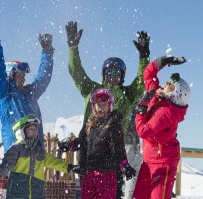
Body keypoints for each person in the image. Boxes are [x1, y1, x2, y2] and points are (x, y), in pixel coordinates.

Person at [65, 21, 150, 198]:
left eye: (116, 74)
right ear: (104, 74)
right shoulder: (92, 90)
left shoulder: (127, 94)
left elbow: (142, 81)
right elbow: (76, 72)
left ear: (122, 76)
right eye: (109, 73)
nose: (112, 77)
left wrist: (144, 56)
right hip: (90, 152)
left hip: (113, 156)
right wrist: (73, 48)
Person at [0, 16, 55, 151]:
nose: (23, 79)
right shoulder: (4, 96)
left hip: (36, 154)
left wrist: (47, 52)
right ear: (10, 76)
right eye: (19, 76)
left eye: (24, 76)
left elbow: (44, 78)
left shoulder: (29, 94)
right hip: (15, 156)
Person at [132, 56, 190, 199]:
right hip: (149, 160)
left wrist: (141, 110)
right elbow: (148, 75)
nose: (166, 83)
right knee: (140, 196)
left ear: (174, 95)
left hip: (162, 164)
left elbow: (143, 131)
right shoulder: (157, 97)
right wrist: (162, 61)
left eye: (171, 84)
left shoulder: (167, 112)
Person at [0, 114, 80, 199]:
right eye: (31, 130)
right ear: (21, 132)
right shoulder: (16, 149)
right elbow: (6, 165)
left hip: (37, 193)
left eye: (35, 130)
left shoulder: (39, 150)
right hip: (18, 193)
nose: (34, 133)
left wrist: (68, 167)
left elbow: (53, 161)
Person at [69, 88, 135, 198]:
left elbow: (117, 147)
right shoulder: (89, 124)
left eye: (104, 105)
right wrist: (70, 145)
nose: (101, 108)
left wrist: (124, 165)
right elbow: (82, 141)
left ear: (110, 106)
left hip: (106, 173)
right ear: (94, 106)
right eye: (98, 104)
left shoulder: (113, 123)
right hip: (89, 173)